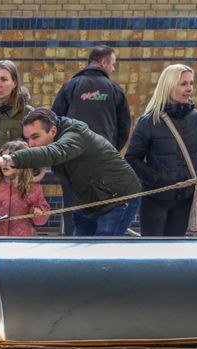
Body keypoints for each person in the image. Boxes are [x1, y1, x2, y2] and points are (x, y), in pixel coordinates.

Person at [0, 108, 140, 236]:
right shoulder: (57, 137)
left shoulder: (75, 135)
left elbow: (54, 152)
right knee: (79, 250)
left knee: (104, 251)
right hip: (88, 200)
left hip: (118, 198)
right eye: (27, 138)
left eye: (35, 137)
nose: (31, 144)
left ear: (52, 131)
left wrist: (8, 159)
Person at [52, 45, 132, 235]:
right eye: (113, 64)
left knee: (73, 212)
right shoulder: (115, 90)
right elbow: (124, 128)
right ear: (103, 62)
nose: (113, 69)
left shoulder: (70, 86)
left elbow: (53, 122)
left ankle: (72, 256)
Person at [126, 64, 197, 237]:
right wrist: (156, 178)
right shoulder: (149, 121)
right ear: (169, 85)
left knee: (175, 250)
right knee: (152, 251)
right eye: (183, 84)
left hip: (185, 199)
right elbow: (132, 158)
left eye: (191, 83)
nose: (189, 89)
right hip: (156, 199)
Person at [0, 140, 50, 237]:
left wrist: (38, 212)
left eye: (11, 160)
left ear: (23, 162)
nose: (5, 164)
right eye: (3, 160)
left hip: (23, 242)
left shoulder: (33, 188)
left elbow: (41, 221)